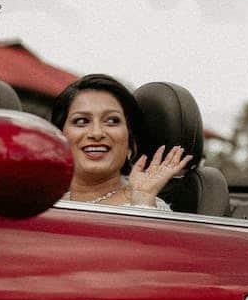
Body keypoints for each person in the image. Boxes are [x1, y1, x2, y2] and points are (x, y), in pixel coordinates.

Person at [50, 74, 191, 209]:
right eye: (81, 121)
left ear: (131, 142)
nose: (96, 133)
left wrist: (143, 203)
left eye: (112, 121)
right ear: (58, 136)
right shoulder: (44, 204)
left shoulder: (148, 204)